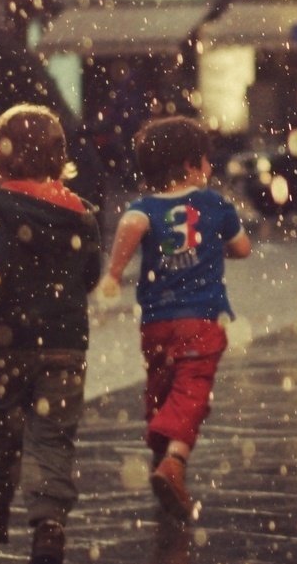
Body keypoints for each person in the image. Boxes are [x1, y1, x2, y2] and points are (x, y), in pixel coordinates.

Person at [0, 105, 102, 564]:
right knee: (54, 436)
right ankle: (50, 525)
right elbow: (91, 276)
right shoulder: (82, 216)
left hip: (10, 345)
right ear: (61, 162)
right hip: (65, 347)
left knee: (2, 425)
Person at [97, 116, 252, 521]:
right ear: (189, 166)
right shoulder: (215, 204)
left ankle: (159, 451)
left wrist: (114, 273)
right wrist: (223, 243)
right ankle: (174, 462)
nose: (209, 169)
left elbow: (132, 225)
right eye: (205, 162)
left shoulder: (144, 207)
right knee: (192, 390)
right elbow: (243, 248)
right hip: (202, 319)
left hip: (156, 322)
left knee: (161, 384)